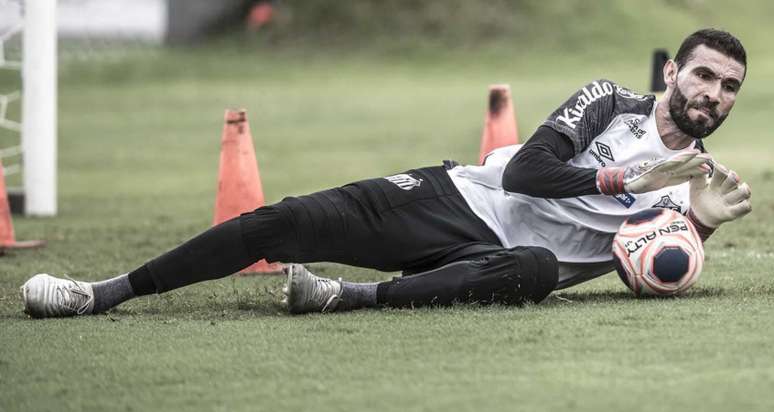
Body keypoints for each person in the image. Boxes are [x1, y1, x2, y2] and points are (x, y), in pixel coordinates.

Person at [21, 28, 752, 318]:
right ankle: (103, 293)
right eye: (704, 77)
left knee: (533, 267)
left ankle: (344, 297)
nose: (712, 96)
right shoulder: (609, 102)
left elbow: (653, 269)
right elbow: (528, 172)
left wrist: (702, 228)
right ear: (672, 72)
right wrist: (616, 184)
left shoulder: (698, 178)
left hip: (503, 261)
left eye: (728, 89)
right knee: (284, 222)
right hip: (456, 199)